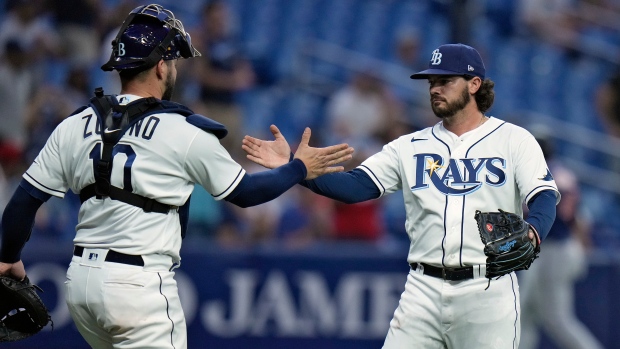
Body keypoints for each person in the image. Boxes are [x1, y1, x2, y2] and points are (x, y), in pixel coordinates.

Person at [0, 4, 353, 349]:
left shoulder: (75, 123)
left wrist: (8, 255)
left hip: (80, 284)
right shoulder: (181, 129)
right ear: (160, 67)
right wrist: (299, 167)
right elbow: (245, 193)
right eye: (173, 61)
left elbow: (25, 199)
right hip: (137, 285)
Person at [242, 43, 560, 349]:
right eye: (431, 81)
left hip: (488, 290)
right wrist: (293, 168)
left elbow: (543, 195)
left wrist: (534, 231)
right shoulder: (408, 147)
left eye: (445, 80)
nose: (435, 88)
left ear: (474, 84)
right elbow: (355, 187)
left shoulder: (514, 140)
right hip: (423, 289)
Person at [519, 138, 603, 349]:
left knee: (555, 317)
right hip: (564, 246)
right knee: (527, 312)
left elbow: (537, 215)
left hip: (553, 249)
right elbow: (581, 218)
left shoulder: (542, 175)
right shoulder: (565, 173)